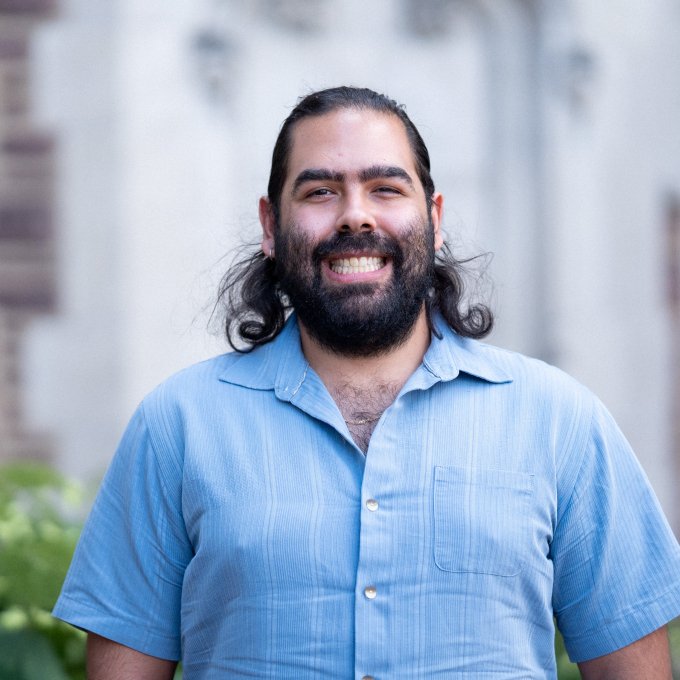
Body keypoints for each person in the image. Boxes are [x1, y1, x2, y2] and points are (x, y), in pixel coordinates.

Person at [54, 87, 680, 680]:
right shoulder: (176, 427)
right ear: (271, 226)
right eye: (321, 191)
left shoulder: (560, 421)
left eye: (385, 188)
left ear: (432, 219)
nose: (355, 216)